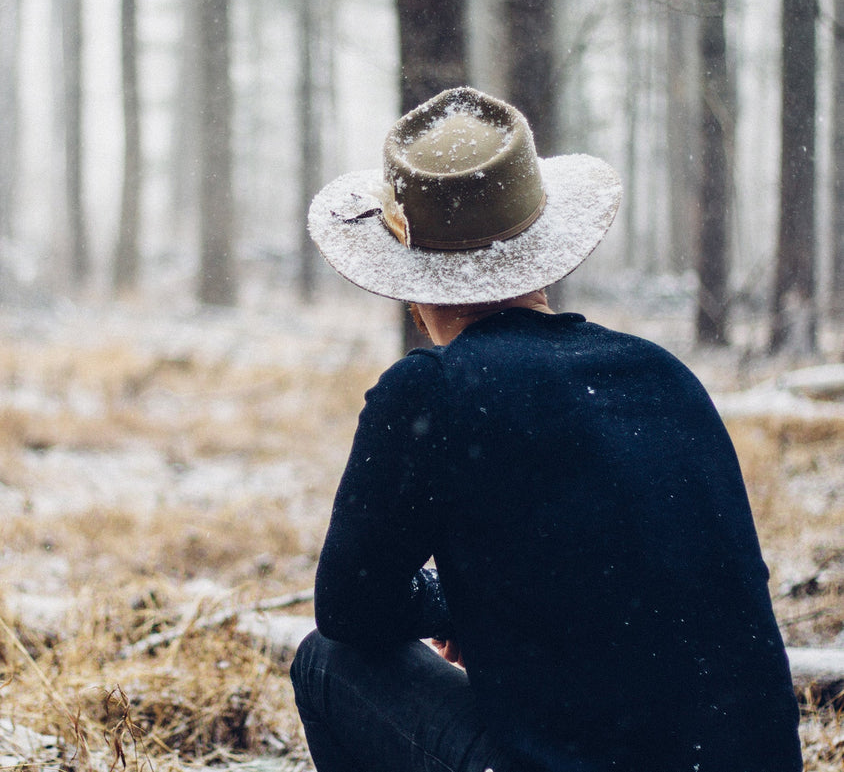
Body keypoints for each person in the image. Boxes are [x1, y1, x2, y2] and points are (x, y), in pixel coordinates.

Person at [290, 87, 802, 772]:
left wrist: (448, 604)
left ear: (412, 286)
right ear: (541, 249)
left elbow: (351, 609)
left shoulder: (431, 391)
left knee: (325, 663)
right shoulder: (664, 374)